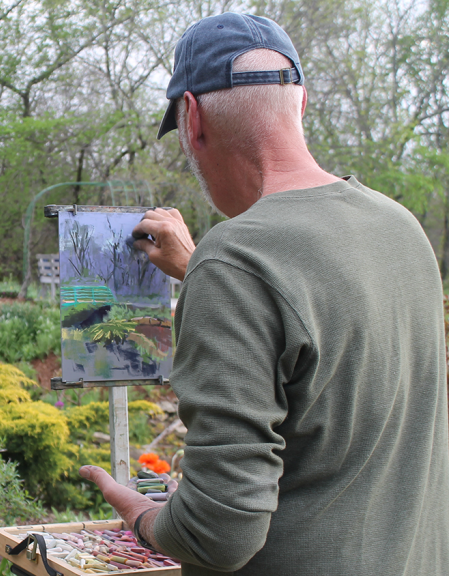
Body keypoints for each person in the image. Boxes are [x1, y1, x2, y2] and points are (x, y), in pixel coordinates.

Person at [79, 12, 449, 576]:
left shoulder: (236, 262)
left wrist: (139, 512)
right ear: (299, 104)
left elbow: (216, 535)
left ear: (193, 119)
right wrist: (203, 267)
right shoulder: (401, 229)